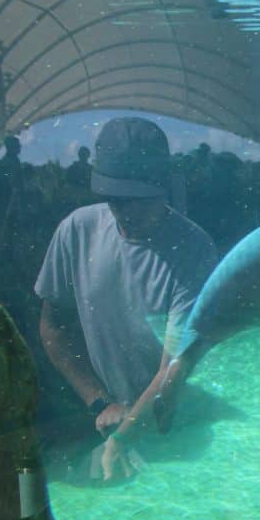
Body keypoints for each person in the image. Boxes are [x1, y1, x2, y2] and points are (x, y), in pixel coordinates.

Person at [35, 117, 218, 481]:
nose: (126, 211)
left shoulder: (194, 250)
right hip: (111, 421)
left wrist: (124, 435)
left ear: (163, 188)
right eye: (116, 199)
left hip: (185, 427)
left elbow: (175, 368)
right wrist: (99, 401)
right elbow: (53, 328)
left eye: (139, 199)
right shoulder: (76, 231)